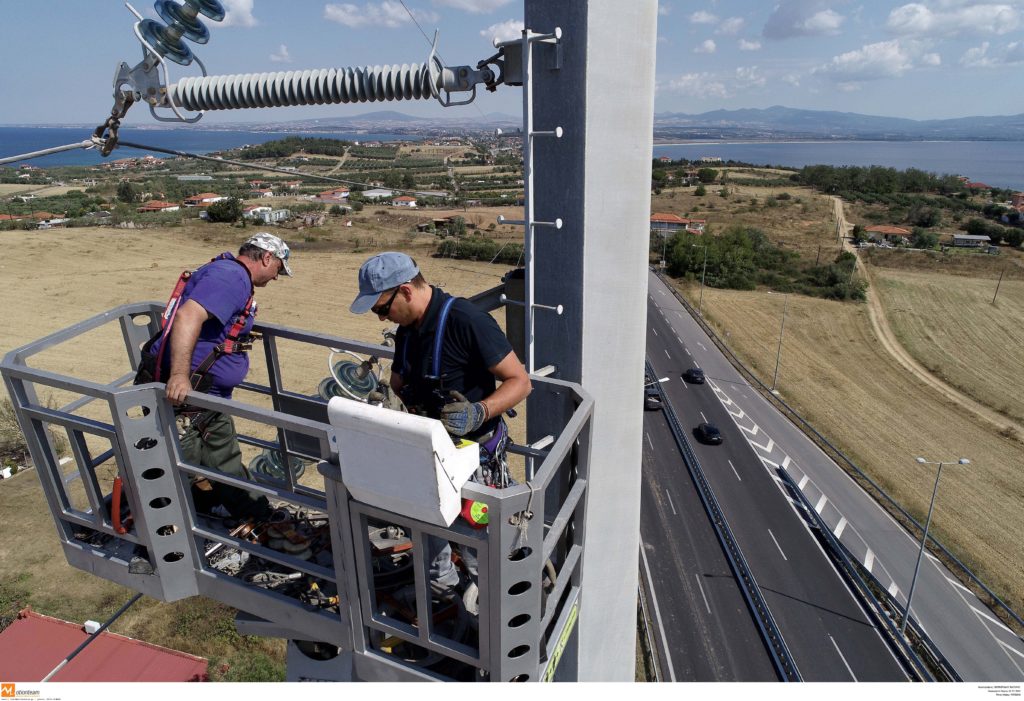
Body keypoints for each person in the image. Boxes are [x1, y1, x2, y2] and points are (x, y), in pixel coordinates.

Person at [350, 252, 531, 593]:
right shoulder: (408, 328)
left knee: (480, 550)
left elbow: (520, 381)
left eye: (381, 309)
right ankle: (446, 595)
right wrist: (389, 400)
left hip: (472, 462)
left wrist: (480, 411)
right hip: (426, 455)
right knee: (430, 540)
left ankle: (494, 612)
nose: (380, 318)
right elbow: (400, 381)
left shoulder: (466, 320)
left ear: (405, 291)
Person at [158, 232, 292, 519]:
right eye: (279, 269)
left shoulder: (229, 274)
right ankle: (151, 535)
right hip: (188, 398)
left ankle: (252, 512)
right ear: (267, 257)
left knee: (224, 457)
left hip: (207, 399)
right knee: (175, 468)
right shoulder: (232, 277)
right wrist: (179, 376)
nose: (277, 277)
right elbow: (187, 317)